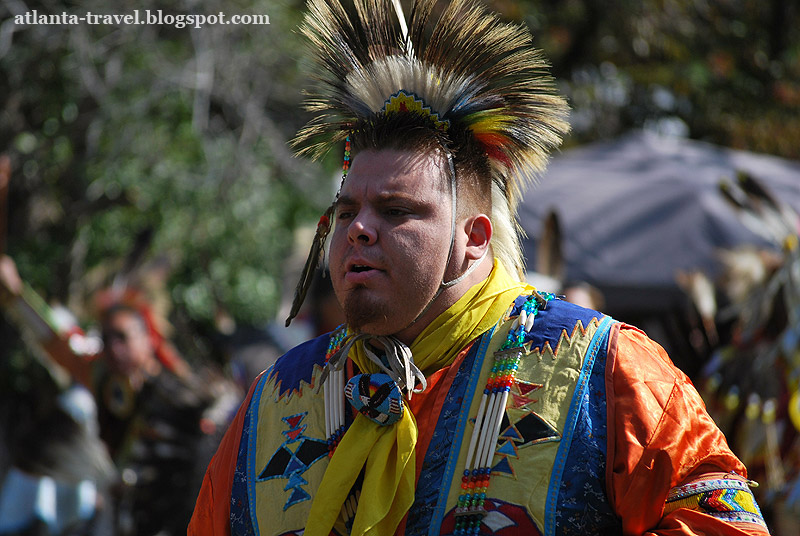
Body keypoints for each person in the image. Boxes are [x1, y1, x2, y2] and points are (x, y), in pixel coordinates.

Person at [189, 1, 771, 535]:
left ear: (473, 238)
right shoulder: (277, 402)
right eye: (345, 212)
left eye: (396, 210)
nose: (359, 229)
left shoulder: (606, 374)